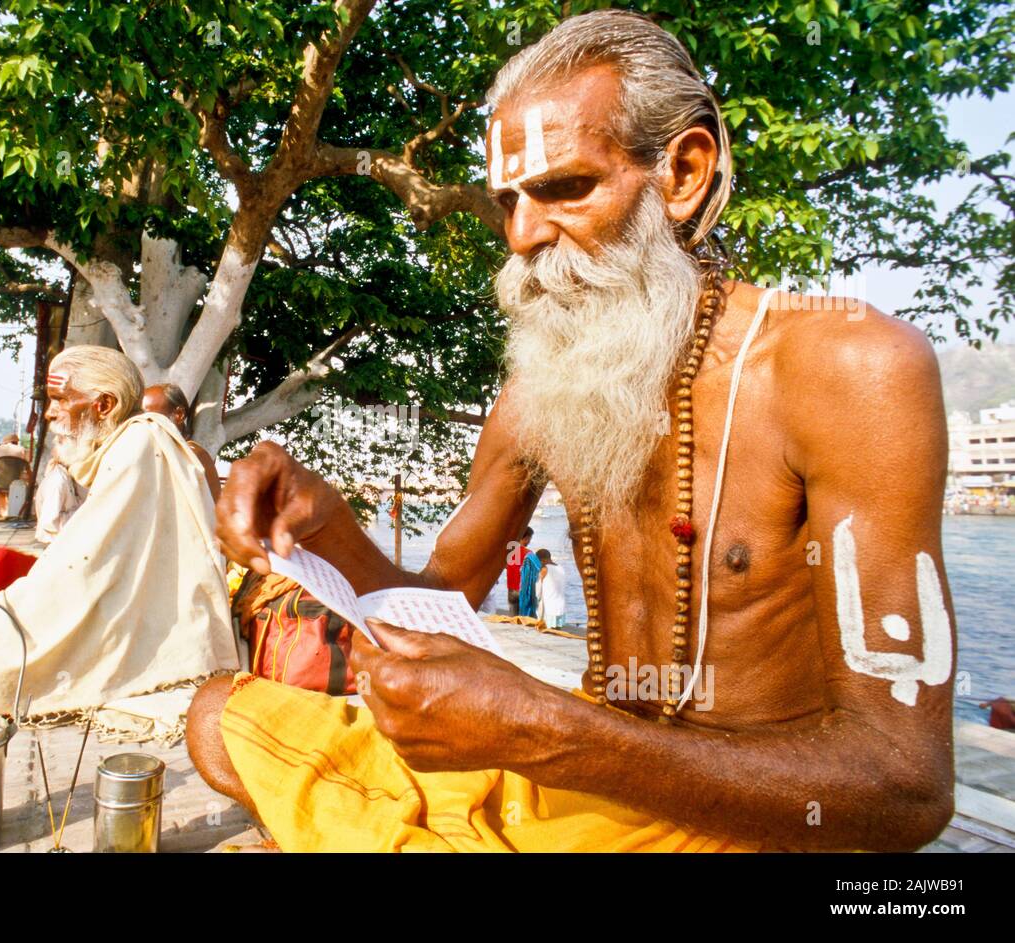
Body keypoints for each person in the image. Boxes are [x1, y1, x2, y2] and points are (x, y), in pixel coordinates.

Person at [189, 10, 956, 853]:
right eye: (510, 199)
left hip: (744, 816)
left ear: (684, 172)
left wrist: (545, 731)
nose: (522, 235)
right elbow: (436, 611)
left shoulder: (853, 365)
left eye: (565, 188)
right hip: (577, 774)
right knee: (217, 714)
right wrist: (324, 524)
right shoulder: (545, 386)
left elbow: (905, 788)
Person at [0, 345, 238, 740]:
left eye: (58, 400)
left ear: (104, 405)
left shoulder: (137, 445)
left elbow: (83, 574)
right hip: (117, 614)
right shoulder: (132, 444)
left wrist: (17, 606)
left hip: (127, 631)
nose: (50, 413)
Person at [143, 383, 222, 503]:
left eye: (151, 418)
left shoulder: (191, 455)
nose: (143, 425)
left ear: (179, 414)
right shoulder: (163, 452)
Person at [535, 548, 568, 629]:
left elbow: (538, 592)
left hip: (549, 610)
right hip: (561, 608)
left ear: (542, 560)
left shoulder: (544, 569)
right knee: (557, 631)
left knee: (548, 633)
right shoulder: (561, 568)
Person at [505, 526, 532, 616]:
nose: (529, 542)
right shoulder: (528, 553)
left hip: (511, 588)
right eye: (529, 539)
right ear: (526, 538)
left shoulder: (509, 552)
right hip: (523, 589)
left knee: (513, 617)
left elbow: (506, 566)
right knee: (524, 618)